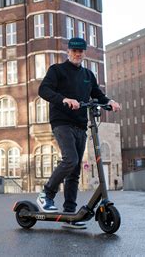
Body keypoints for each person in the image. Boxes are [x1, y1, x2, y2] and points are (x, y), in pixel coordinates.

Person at [37, 37, 121, 229]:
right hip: (62, 122)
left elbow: (98, 95)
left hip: (81, 125)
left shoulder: (88, 75)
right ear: (68, 52)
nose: (77, 54)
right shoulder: (57, 70)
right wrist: (64, 99)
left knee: (74, 172)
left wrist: (110, 102)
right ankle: (46, 194)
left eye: (80, 51)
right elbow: (44, 90)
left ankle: (69, 214)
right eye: (74, 51)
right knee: (71, 160)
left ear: (84, 53)